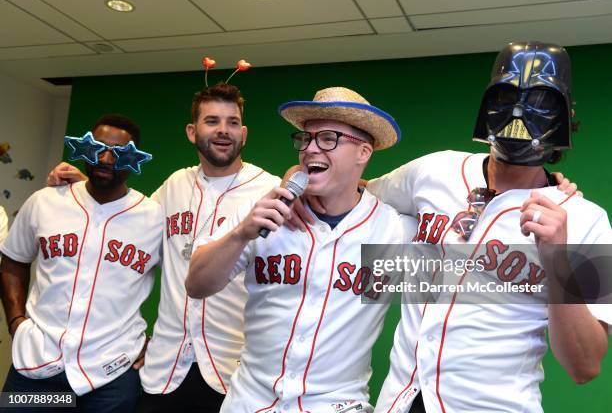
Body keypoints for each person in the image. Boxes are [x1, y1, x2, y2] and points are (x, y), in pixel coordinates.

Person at [365, 42, 611, 413]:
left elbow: (584, 366)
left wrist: (557, 259)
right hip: (400, 400)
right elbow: (357, 194)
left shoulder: (586, 219)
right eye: (506, 95)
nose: (519, 111)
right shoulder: (434, 171)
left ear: (564, 113)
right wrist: (298, 178)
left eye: (541, 99)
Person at [48, 83, 280, 412]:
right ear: (192, 131)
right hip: (166, 368)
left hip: (234, 371)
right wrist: (83, 187)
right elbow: (125, 224)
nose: (223, 131)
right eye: (212, 121)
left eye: (232, 122)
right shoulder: (175, 185)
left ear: (243, 132)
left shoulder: (269, 190)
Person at [186, 87, 418, 412]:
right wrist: (241, 234)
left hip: (334, 405)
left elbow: (477, 278)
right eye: (305, 139)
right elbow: (196, 285)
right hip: (249, 402)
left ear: (363, 152)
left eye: (327, 139)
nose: (310, 149)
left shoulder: (392, 232)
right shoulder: (266, 212)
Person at [0, 114, 163, 412]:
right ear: (84, 148)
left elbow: (184, 283)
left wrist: (163, 342)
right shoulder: (44, 202)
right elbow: (13, 260)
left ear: (134, 159)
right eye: (98, 147)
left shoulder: (154, 218)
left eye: (119, 152)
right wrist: (16, 323)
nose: (105, 158)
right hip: (37, 365)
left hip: (111, 375)